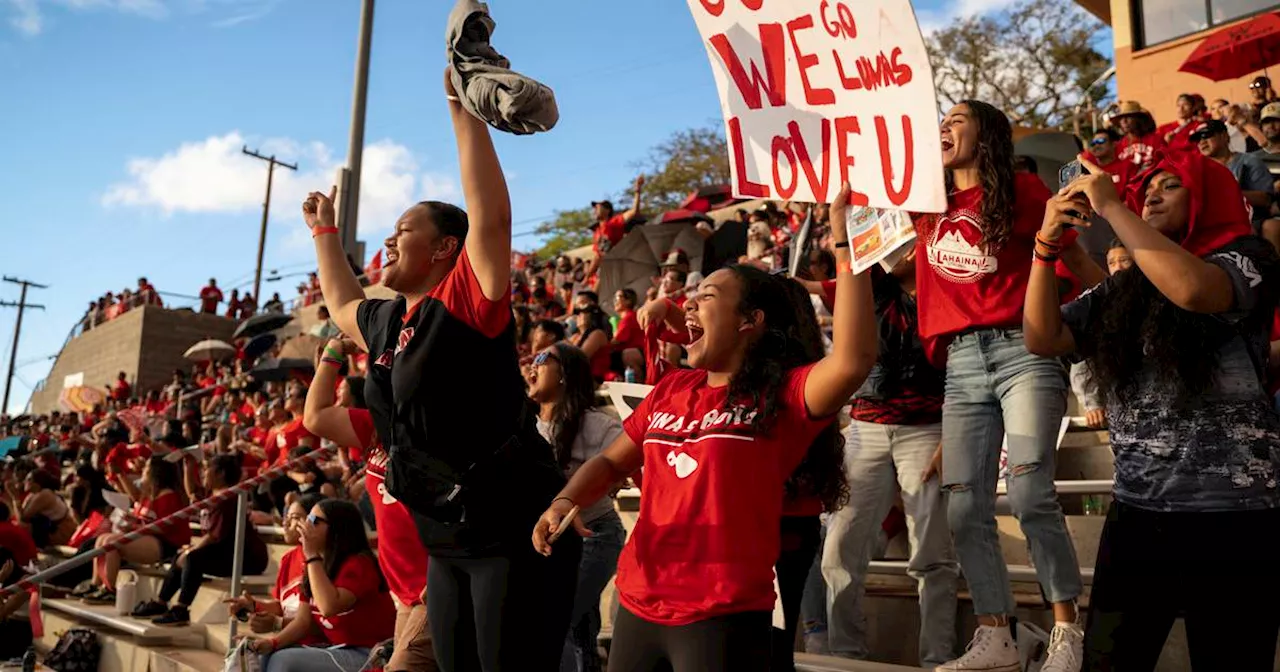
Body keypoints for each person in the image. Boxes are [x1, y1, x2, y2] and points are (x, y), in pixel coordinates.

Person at [532, 181, 877, 672]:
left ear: (749, 322)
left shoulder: (783, 394)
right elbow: (610, 461)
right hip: (635, 604)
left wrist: (845, 235)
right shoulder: (672, 388)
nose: (690, 304)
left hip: (723, 616)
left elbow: (855, 356)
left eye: (707, 295)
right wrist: (566, 499)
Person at [301, 66, 578, 670]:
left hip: (511, 537)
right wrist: (325, 231)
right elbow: (344, 304)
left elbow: (491, 219)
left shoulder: (467, 304)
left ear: (446, 250)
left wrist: (462, 105)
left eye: (405, 229)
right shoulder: (387, 321)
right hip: (444, 546)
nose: (389, 240)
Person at [1024, 151, 1280, 671]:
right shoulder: (1127, 286)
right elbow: (1042, 335)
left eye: (1171, 186)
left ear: (1208, 195)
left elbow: (1191, 289)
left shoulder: (1247, 258)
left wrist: (1116, 208)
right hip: (1139, 515)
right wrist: (1045, 246)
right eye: (1149, 190)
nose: (1153, 196)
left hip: (1235, 517)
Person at [917, 101, 1093, 672]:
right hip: (961, 362)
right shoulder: (922, 204)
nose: (944, 127)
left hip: (1024, 350)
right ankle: (997, 635)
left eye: (956, 119)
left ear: (988, 133)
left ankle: (1067, 632)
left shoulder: (1023, 190)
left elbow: (1076, 267)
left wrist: (1123, 294)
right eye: (940, 121)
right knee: (963, 507)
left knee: (1028, 492)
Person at [821, 252, 959, 668]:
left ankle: (938, 659)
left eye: (902, 241)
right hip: (866, 427)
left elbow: (969, 366)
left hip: (930, 428)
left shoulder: (950, 286)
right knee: (838, 550)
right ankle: (845, 658)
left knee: (933, 555)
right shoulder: (866, 287)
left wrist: (954, 431)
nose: (891, 251)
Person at [303, 339, 435, 672]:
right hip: (403, 592)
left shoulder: (441, 429)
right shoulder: (378, 427)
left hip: (434, 587)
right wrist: (332, 355)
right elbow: (315, 417)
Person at [527, 343, 626, 672]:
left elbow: (619, 467)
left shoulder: (598, 425)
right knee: (580, 628)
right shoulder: (524, 426)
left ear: (565, 374)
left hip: (595, 536)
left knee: (557, 621)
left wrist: (599, 485)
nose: (532, 365)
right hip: (548, 543)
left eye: (543, 359)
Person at [248, 499, 396, 672]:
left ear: (337, 528)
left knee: (284, 660)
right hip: (336, 648)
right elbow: (303, 621)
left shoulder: (359, 563)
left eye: (314, 521)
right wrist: (271, 643)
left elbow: (329, 606)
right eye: (307, 519)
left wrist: (311, 555)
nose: (307, 526)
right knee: (268, 654)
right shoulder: (315, 564)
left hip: (371, 653)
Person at [133, 454, 269, 626]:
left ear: (220, 473)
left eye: (207, 469)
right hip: (227, 551)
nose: (204, 473)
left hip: (248, 557)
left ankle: (181, 609)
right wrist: (188, 464)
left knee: (192, 558)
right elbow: (192, 492)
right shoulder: (214, 494)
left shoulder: (228, 498)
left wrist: (191, 550)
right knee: (183, 554)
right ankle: (161, 602)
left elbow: (213, 536)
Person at [226, 495, 327, 654]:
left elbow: (324, 623)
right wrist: (253, 606)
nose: (285, 523)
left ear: (313, 522)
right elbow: (282, 606)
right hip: (290, 642)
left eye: (294, 518)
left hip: (318, 646)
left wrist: (277, 624)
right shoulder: (288, 559)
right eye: (286, 517)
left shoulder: (323, 560)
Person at [82, 456, 190, 604]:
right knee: (102, 539)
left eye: (147, 468)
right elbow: (144, 518)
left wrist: (135, 526)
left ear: (156, 472)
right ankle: (96, 584)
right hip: (149, 537)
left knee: (111, 542)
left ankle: (110, 589)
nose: (143, 471)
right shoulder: (150, 495)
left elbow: (162, 527)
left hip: (165, 543)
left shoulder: (168, 495)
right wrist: (133, 522)